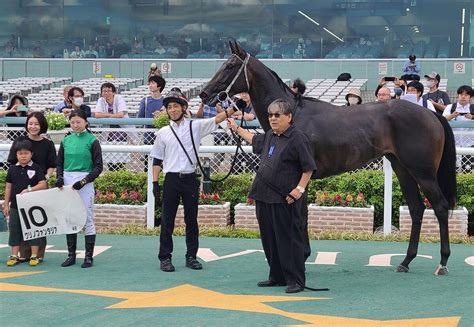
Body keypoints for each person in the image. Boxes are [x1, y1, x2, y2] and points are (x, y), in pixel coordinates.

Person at [227, 99, 317, 294]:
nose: (273, 118)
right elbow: (253, 139)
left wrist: (299, 190)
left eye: (277, 115)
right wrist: (235, 128)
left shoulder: (298, 138)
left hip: (285, 198)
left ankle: (295, 280)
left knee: (289, 240)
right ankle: (276, 276)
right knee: (269, 239)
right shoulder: (270, 135)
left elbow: (308, 168)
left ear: (289, 117)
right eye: (270, 115)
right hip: (263, 196)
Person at [150, 90, 239, 272]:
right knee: (168, 220)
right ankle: (165, 257)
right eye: (169, 107)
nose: (173, 110)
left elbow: (217, 119)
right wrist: (155, 183)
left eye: (176, 106)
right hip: (171, 179)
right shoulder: (163, 132)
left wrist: (235, 109)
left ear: (184, 108)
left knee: (192, 220)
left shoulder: (195, 127)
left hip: (190, 178)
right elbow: (157, 159)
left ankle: (191, 256)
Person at [7, 112, 57, 263]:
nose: (33, 126)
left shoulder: (47, 143)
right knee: (19, 222)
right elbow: (11, 162)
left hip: (39, 187)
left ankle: (37, 254)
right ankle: (22, 253)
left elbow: (52, 165)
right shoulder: (19, 141)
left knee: (37, 221)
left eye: (36, 124)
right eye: (30, 123)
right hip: (20, 190)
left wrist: (45, 178)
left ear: (42, 125)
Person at [56, 110, 103, 268]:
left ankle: (89, 257)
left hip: (85, 183)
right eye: (72, 122)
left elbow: (98, 167)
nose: (75, 125)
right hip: (68, 182)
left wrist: (84, 181)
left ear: (86, 122)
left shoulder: (92, 140)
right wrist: (59, 177)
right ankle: (71, 255)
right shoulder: (66, 140)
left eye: (78, 122)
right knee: (69, 219)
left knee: (87, 219)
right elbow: (60, 162)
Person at [3, 140, 47, 266]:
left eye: (26, 153)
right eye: (20, 153)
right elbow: (8, 187)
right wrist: (6, 204)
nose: (23, 156)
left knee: (33, 229)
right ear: (16, 154)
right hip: (15, 206)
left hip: (32, 206)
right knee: (15, 230)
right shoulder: (12, 169)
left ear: (31, 154)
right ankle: (14, 255)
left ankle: (34, 256)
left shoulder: (36, 168)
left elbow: (43, 184)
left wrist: (29, 190)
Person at [93, 82, 129, 170]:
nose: (106, 93)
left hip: (121, 130)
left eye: (109, 91)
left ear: (113, 92)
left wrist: (106, 115)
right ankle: (112, 170)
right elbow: (97, 115)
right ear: (101, 93)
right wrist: (111, 115)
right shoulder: (101, 100)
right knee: (109, 154)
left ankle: (121, 169)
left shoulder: (119, 98)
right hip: (108, 132)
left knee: (121, 153)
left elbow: (121, 114)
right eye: (104, 91)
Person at [443, 85, 474, 170]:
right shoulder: (450, 107)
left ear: (470, 97)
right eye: (461, 94)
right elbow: (442, 120)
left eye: (466, 95)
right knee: (453, 169)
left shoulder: (472, 108)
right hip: (453, 142)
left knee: (468, 168)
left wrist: (472, 117)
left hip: (469, 143)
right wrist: (450, 117)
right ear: (458, 95)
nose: (463, 97)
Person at [138, 75, 166, 145]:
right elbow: (140, 118)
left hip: (163, 135)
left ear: (159, 86)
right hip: (147, 136)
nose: (150, 85)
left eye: (153, 83)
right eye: (150, 83)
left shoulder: (166, 101)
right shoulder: (145, 101)